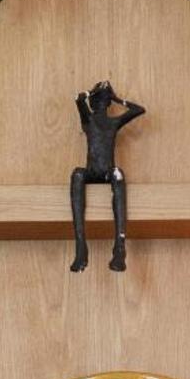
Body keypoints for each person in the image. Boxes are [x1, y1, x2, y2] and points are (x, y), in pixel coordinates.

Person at [70, 82, 145, 273]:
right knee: (77, 174)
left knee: (118, 173)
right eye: (99, 100)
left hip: (107, 171)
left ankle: (119, 247)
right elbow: (78, 99)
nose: (101, 104)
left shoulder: (113, 122)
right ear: (94, 103)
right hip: (92, 171)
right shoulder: (88, 120)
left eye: (105, 101)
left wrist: (117, 98)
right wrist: (94, 91)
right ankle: (80, 247)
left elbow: (139, 110)